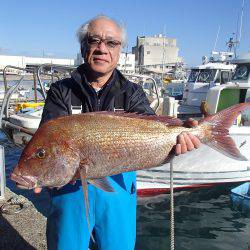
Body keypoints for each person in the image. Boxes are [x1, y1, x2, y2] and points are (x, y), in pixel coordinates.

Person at [34, 15, 200, 250]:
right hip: (70, 188)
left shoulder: (131, 92)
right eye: (94, 40)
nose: (102, 48)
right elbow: (48, 141)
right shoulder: (61, 91)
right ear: (84, 47)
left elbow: (153, 131)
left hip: (119, 189)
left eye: (111, 43)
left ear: (120, 50)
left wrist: (179, 140)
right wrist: (40, 171)